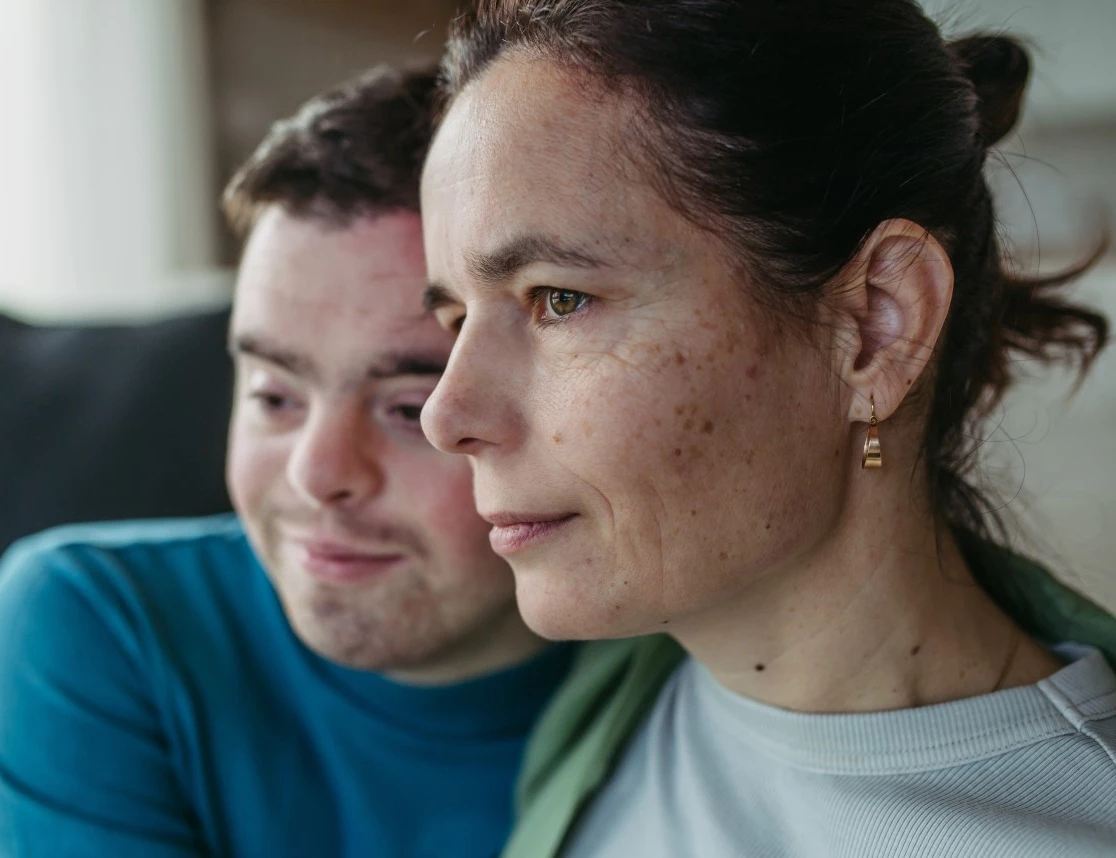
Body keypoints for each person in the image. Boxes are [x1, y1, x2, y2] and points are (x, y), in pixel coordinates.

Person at [418, 2, 1116, 856]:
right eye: (454, 319)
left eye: (560, 299)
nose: (445, 416)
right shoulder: (610, 709)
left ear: (875, 326)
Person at [0, 64, 572, 858]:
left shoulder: (689, 662)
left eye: (406, 409)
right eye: (273, 395)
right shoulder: (102, 621)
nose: (315, 474)